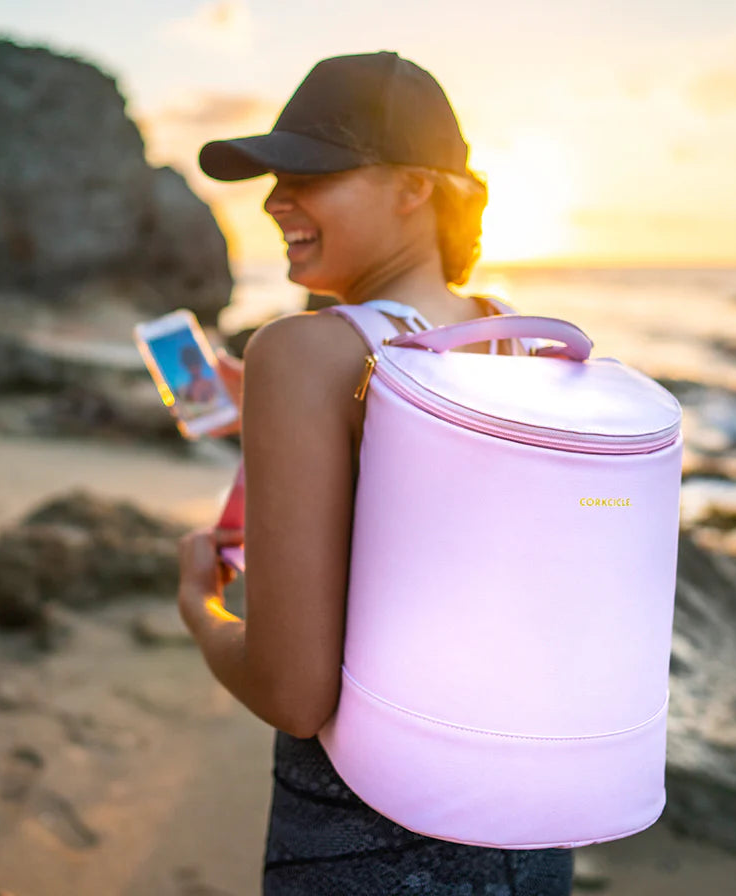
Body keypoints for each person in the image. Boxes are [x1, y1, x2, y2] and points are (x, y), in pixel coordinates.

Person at [175, 51, 575, 895]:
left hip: (363, 842)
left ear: (414, 188)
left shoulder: (301, 352)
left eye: (311, 172)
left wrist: (203, 612)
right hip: (535, 831)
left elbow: (293, 693)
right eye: (274, 178)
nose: (276, 200)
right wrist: (278, 413)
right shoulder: (531, 339)